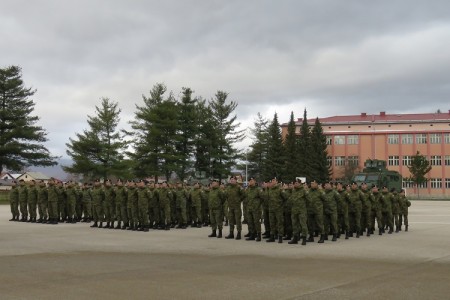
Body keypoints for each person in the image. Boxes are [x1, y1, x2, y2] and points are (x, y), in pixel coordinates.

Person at [266, 178, 288, 243]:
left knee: (279, 223)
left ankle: (280, 236)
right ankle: (272, 236)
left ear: (277, 182)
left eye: (274, 180)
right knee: (272, 223)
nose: (272, 182)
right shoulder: (270, 189)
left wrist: (281, 204)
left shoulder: (280, 189)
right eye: (272, 180)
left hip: (279, 209)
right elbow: (268, 198)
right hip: (271, 209)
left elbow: (286, 197)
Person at [288, 179, 308, 245]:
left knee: (303, 225)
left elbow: (309, 200)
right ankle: (295, 238)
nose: (295, 184)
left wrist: (304, 207)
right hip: (294, 210)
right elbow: (291, 199)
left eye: (296, 183)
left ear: (300, 184)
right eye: (295, 183)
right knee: (294, 225)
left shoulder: (304, 191)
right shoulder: (293, 191)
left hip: (301, 211)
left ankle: (304, 238)